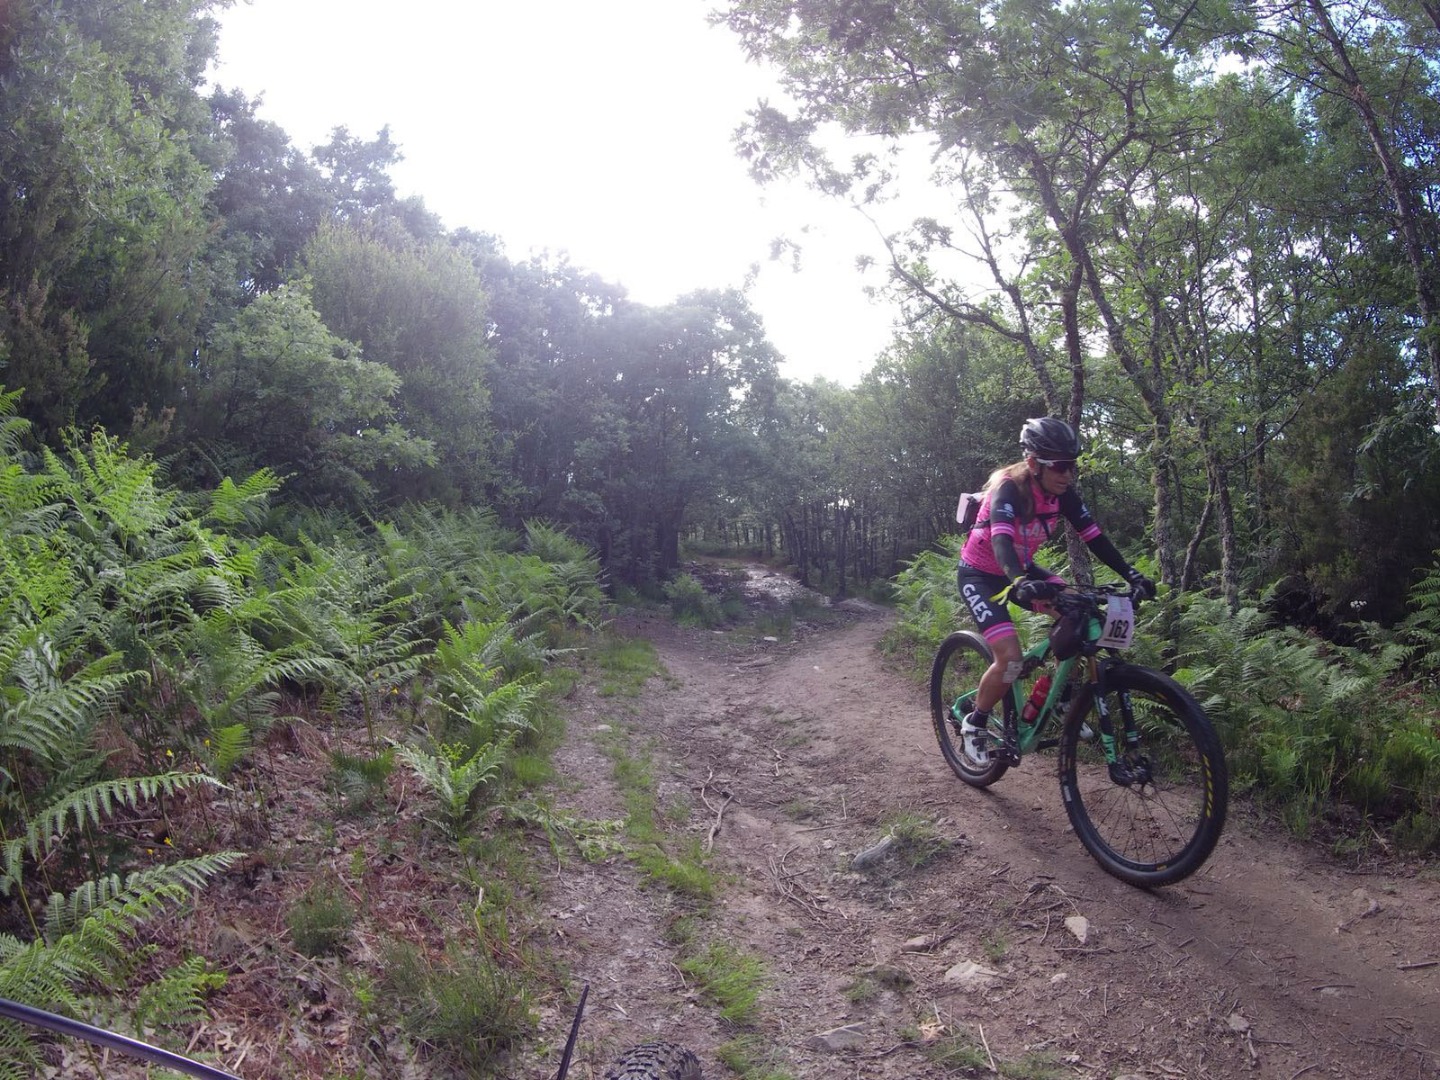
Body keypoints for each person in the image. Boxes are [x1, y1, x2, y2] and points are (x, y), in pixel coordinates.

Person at [956, 417, 1155, 765]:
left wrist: (1132, 574)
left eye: (1072, 467)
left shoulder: (1063, 495)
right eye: (1061, 467)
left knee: (1081, 615)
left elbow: (1096, 539)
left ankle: (1058, 695)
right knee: (1011, 659)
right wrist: (1018, 582)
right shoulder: (1009, 489)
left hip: (1023, 568)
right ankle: (976, 722)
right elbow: (1001, 541)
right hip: (982, 574)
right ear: (1033, 463)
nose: (1068, 475)